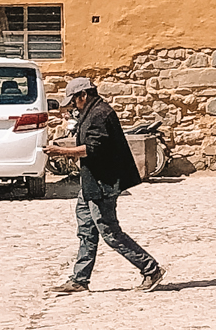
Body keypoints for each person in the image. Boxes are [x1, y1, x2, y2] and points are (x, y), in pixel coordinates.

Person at [48, 76, 163, 294]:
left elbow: (91, 149)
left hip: (103, 183)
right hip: (91, 182)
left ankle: (151, 269)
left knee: (110, 232)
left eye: (74, 101)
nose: (72, 106)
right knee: (86, 230)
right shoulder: (90, 112)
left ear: (84, 95)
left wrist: (60, 151)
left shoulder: (100, 114)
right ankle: (80, 279)